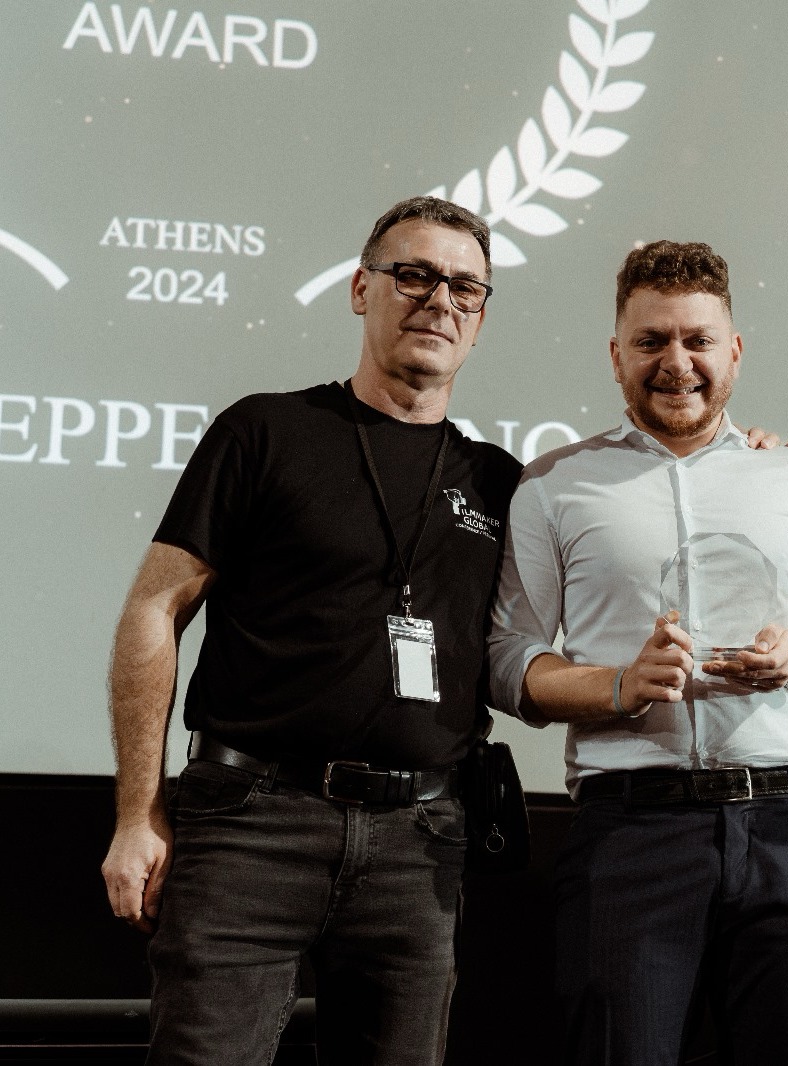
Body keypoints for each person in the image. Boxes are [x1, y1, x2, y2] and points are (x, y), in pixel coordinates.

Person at [99, 196, 523, 1065]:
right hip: (251, 825)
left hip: (420, 845)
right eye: (413, 275)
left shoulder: (499, 483)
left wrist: (735, 450)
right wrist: (137, 815)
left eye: (464, 288)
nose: (438, 299)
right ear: (360, 289)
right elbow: (154, 609)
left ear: (480, 319)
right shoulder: (266, 430)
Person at [487, 241, 788, 1066]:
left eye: (696, 340)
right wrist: (619, 685)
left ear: (734, 352)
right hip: (628, 834)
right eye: (650, 342)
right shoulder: (552, 486)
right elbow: (508, 660)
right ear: (616, 356)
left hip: (786, 827)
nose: (674, 362)